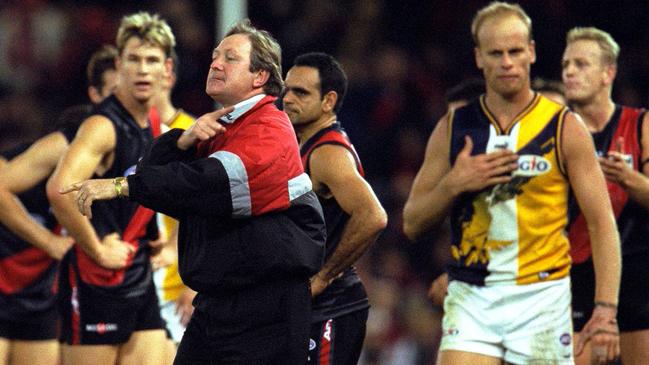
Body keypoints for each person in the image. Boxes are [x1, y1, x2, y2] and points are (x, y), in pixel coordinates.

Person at [61, 19, 326, 364]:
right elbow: (158, 178)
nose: (215, 63)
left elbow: (201, 185)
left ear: (260, 77)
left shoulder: (269, 129)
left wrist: (119, 186)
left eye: (230, 58)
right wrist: (182, 140)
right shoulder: (220, 126)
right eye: (215, 56)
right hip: (218, 305)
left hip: (266, 311)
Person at [402, 2, 621, 364]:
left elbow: (602, 224)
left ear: (531, 52)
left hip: (541, 296)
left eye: (516, 51)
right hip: (472, 295)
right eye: (496, 53)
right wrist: (455, 183)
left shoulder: (564, 127)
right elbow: (412, 222)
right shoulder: (453, 127)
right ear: (478, 57)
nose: (507, 62)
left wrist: (605, 310)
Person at [46, 12, 175, 365]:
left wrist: (152, 232)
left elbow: (139, 184)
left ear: (166, 69)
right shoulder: (102, 124)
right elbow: (59, 190)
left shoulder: (152, 122)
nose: (143, 69)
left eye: (151, 61)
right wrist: (97, 249)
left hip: (137, 271)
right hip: (94, 279)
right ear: (119, 64)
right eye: (134, 59)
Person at [0, 44, 118, 365]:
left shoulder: (132, 154)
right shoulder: (63, 144)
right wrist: (49, 242)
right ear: (95, 95)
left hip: (41, 292)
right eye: (114, 92)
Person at [282, 52, 387, 365]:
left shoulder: (327, 152)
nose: (288, 99)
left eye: (301, 92)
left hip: (332, 306)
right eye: (287, 90)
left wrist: (324, 277)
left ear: (328, 101)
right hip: (306, 308)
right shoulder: (302, 144)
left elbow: (373, 216)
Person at [562, 26, 649, 365]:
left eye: (581, 64)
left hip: (638, 274)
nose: (569, 71)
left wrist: (630, 180)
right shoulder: (555, 130)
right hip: (576, 274)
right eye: (566, 64)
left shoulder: (640, 125)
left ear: (607, 73)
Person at [147, 49, 197, 365]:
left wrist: (195, 287)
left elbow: (210, 212)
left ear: (169, 74)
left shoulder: (193, 132)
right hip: (133, 286)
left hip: (176, 291)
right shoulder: (119, 132)